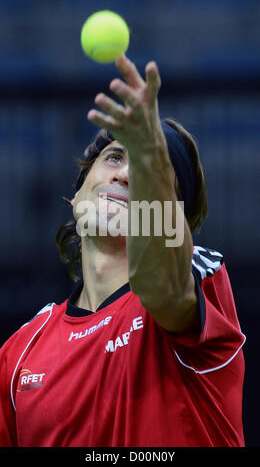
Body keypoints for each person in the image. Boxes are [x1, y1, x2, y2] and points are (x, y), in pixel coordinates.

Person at [0, 54, 246, 447]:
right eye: (115, 156)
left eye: (148, 171)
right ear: (79, 191)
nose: (127, 174)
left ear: (173, 214)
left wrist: (152, 155)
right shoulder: (20, 351)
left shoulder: (202, 278)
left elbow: (164, 287)